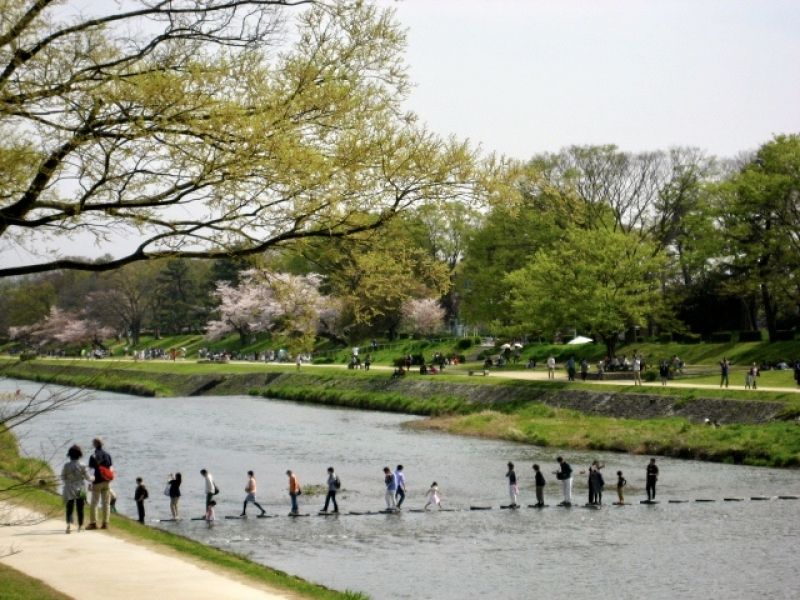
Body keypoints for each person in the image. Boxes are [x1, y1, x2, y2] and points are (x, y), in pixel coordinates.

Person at [61, 444, 91, 534]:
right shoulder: (83, 465)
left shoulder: (66, 465)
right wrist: (93, 478)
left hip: (69, 488)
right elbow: (88, 478)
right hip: (80, 488)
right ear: (79, 455)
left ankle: (68, 526)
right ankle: (80, 525)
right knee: (80, 507)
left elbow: (63, 477)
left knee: (69, 507)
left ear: (70, 455)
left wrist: (68, 480)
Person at [86, 437, 113, 530]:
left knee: (94, 503)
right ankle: (105, 523)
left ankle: (93, 523)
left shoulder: (93, 456)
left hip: (97, 482)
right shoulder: (107, 455)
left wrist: (90, 483)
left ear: (95, 444)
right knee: (106, 503)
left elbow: (91, 471)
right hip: (107, 481)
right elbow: (110, 469)